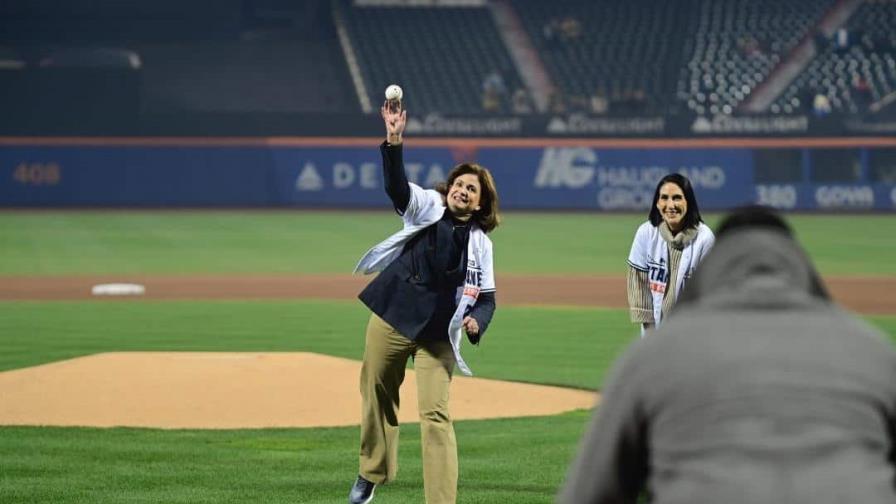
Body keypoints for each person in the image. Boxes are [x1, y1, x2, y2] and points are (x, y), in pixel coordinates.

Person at [559, 206, 896, 504]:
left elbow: (590, 493)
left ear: (714, 270)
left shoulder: (657, 353)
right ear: (800, 269)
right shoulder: (873, 349)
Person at [348, 98, 500, 504]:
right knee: (377, 394)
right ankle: (372, 472)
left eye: (472, 189)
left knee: (436, 417)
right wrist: (393, 139)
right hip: (394, 316)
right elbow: (396, 187)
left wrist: (476, 322)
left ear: (481, 203)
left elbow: (486, 299)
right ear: (448, 188)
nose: (463, 191)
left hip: (438, 335)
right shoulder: (426, 207)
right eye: (460, 184)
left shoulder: (482, 245)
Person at [626, 173, 714, 334]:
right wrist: (651, 335)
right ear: (657, 204)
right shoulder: (646, 232)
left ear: (689, 202)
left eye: (677, 198)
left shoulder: (705, 238)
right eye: (664, 198)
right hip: (654, 331)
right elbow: (638, 281)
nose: (670, 205)